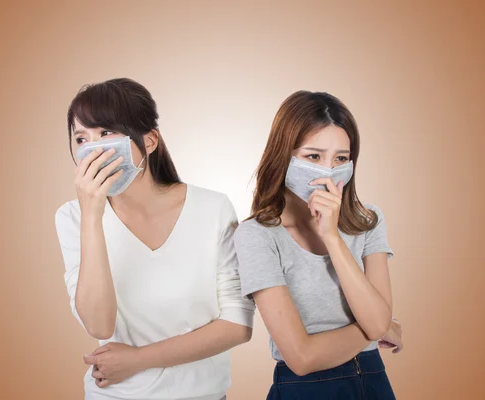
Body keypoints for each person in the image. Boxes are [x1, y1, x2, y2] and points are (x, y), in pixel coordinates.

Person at [55, 78, 255, 400]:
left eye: (106, 132)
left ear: (149, 141)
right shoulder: (72, 218)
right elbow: (99, 326)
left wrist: (138, 360)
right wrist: (92, 216)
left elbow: (238, 324)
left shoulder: (212, 207)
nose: (92, 148)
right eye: (81, 138)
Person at [234, 90, 403, 399]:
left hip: (374, 382)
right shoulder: (258, 235)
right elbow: (301, 358)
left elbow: (379, 320)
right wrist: (378, 328)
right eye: (313, 156)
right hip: (304, 389)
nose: (328, 170)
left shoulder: (369, 221)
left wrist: (331, 236)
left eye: (340, 159)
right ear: (283, 156)